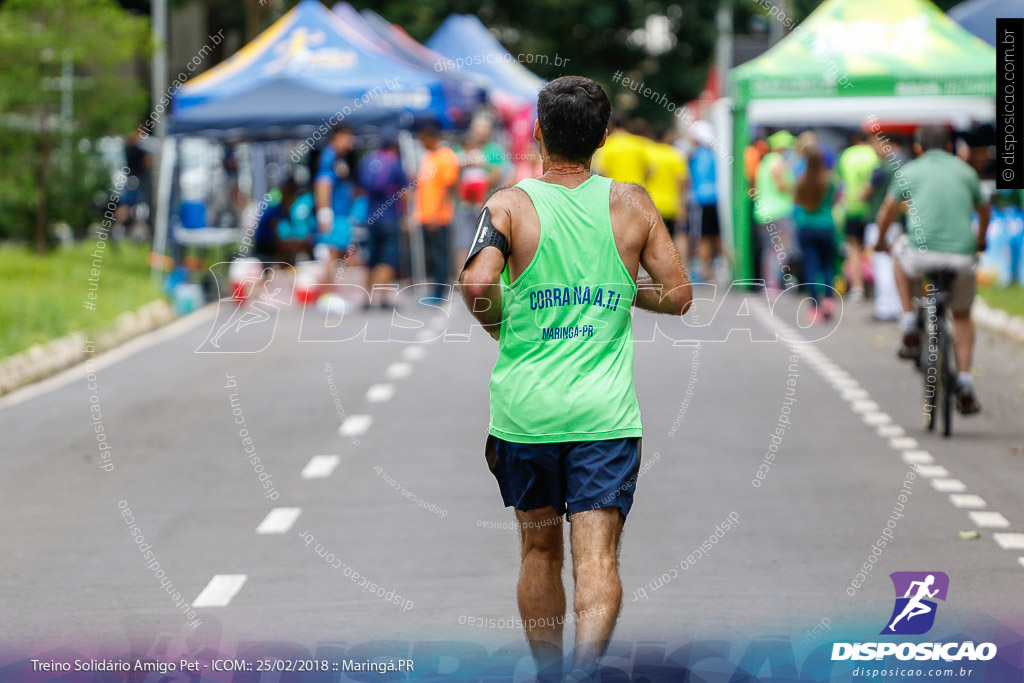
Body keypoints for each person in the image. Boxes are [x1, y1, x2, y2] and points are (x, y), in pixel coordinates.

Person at [458, 75, 691, 679]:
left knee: (537, 551)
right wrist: (617, 288)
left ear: (537, 133)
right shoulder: (632, 204)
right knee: (598, 560)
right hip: (604, 416)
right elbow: (679, 294)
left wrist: (498, 328)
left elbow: (477, 284)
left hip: (525, 414)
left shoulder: (508, 205)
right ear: (604, 137)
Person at [875, 125, 990, 414]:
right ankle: (964, 380)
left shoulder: (910, 172)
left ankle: (908, 321)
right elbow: (985, 210)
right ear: (950, 146)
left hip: (921, 255)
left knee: (899, 257)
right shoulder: (966, 172)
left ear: (917, 147)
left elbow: (887, 212)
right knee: (962, 315)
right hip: (962, 258)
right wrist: (981, 239)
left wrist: (879, 242)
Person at [358, 134, 408, 309]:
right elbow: (405, 190)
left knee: (371, 258)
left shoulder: (367, 161)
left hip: (371, 216)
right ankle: (384, 297)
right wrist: (406, 215)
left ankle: (367, 298)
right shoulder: (395, 162)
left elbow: (361, 187)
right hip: (390, 217)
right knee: (388, 258)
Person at [793, 145, 838, 324]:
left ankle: (815, 308)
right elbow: (834, 200)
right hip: (826, 226)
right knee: (827, 266)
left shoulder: (801, 181)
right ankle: (828, 299)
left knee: (811, 267)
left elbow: (796, 202)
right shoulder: (830, 181)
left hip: (806, 226)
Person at [414, 123, 460, 301]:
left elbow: (448, 188)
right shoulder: (428, 157)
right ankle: (434, 290)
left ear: (431, 138)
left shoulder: (445, 157)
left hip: (439, 217)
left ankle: (440, 292)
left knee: (440, 256)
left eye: (423, 140)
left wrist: (436, 213)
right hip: (425, 215)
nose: (421, 143)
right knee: (431, 256)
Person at [314, 124, 365, 284]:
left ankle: (334, 292)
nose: (351, 141)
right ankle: (327, 295)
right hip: (335, 215)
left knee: (341, 255)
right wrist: (324, 212)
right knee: (332, 254)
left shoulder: (340, 157)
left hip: (342, 214)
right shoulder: (329, 156)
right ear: (337, 137)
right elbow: (323, 183)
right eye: (347, 137)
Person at [837, 131, 880, 302]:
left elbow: (842, 183)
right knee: (874, 249)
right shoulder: (873, 154)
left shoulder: (846, 155)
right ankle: (879, 288)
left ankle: (857, 288)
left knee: (854, 250)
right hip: (872, 210)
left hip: (852, 209)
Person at [754, 130, 797, 290]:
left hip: (765, 212)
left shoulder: (766, 161)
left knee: (770, 250)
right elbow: (781, 185)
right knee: (780, 249)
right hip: (777, 212)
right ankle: (772, 284)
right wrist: (793, 186)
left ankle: (769, 283)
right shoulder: (777, 161)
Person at [643, 125, 689, 267]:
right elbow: (683, 183)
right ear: (666, 137)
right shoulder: (675, 155)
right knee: (678, 236)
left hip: (652, 205)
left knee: (654, 240)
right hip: (672, 205)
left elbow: (644, 177)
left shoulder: (647, 154)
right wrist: (682, 207)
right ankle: (683, 267)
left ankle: (658, 268)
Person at [687, 121, 722, 283]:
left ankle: (705, 271)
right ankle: (722, 266)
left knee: (703, 238)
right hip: (715, 199)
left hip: (700, 200)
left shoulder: (695, 155)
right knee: (716, 236)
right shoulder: (714, 154)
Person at [591, 115, 649, 185]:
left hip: (614, 191)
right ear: (627, 125)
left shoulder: (605, 144)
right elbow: (649, 171)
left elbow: (601, 172)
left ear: (611, 125)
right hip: (636, 190)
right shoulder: (639, 143)